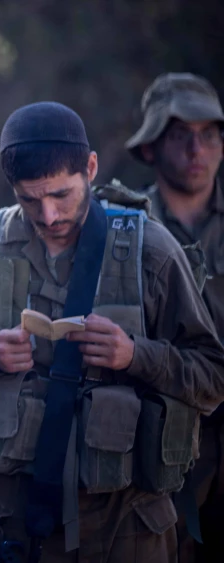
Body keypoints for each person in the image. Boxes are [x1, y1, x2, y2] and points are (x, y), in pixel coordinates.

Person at [0, 101, 224, 562]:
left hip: (129, 522)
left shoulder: (151, 249)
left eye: (62, 194)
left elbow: (213, 373)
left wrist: (134, 355)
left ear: (90, 169)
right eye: (29, 199)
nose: (49, 215)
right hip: (16, 521)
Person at [125, 72, 224, 562]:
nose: (196, 150)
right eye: (180, 135)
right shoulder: (127, 229)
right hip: (164, 443)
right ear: (150, 147)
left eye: (209, 134)